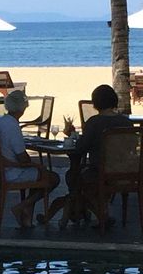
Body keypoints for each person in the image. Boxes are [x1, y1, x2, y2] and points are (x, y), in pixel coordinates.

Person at [58, 83, 135, 224]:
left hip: (100, 171)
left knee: (74, 176)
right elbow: (132, 146)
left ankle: (94, 211)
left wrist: (74, 137)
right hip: (125, 171)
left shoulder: (94, 123)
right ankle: (97, 210)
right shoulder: (127, 122)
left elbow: (81, 147)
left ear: (96, 104)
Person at [0, 89, 54, 225]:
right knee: (51, 178)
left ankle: (26, 215)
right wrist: (35, 164)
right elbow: (23, 158)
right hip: (11, 173)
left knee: (38, 173)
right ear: (22, 109)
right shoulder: (13, 126)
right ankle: (22, 207)